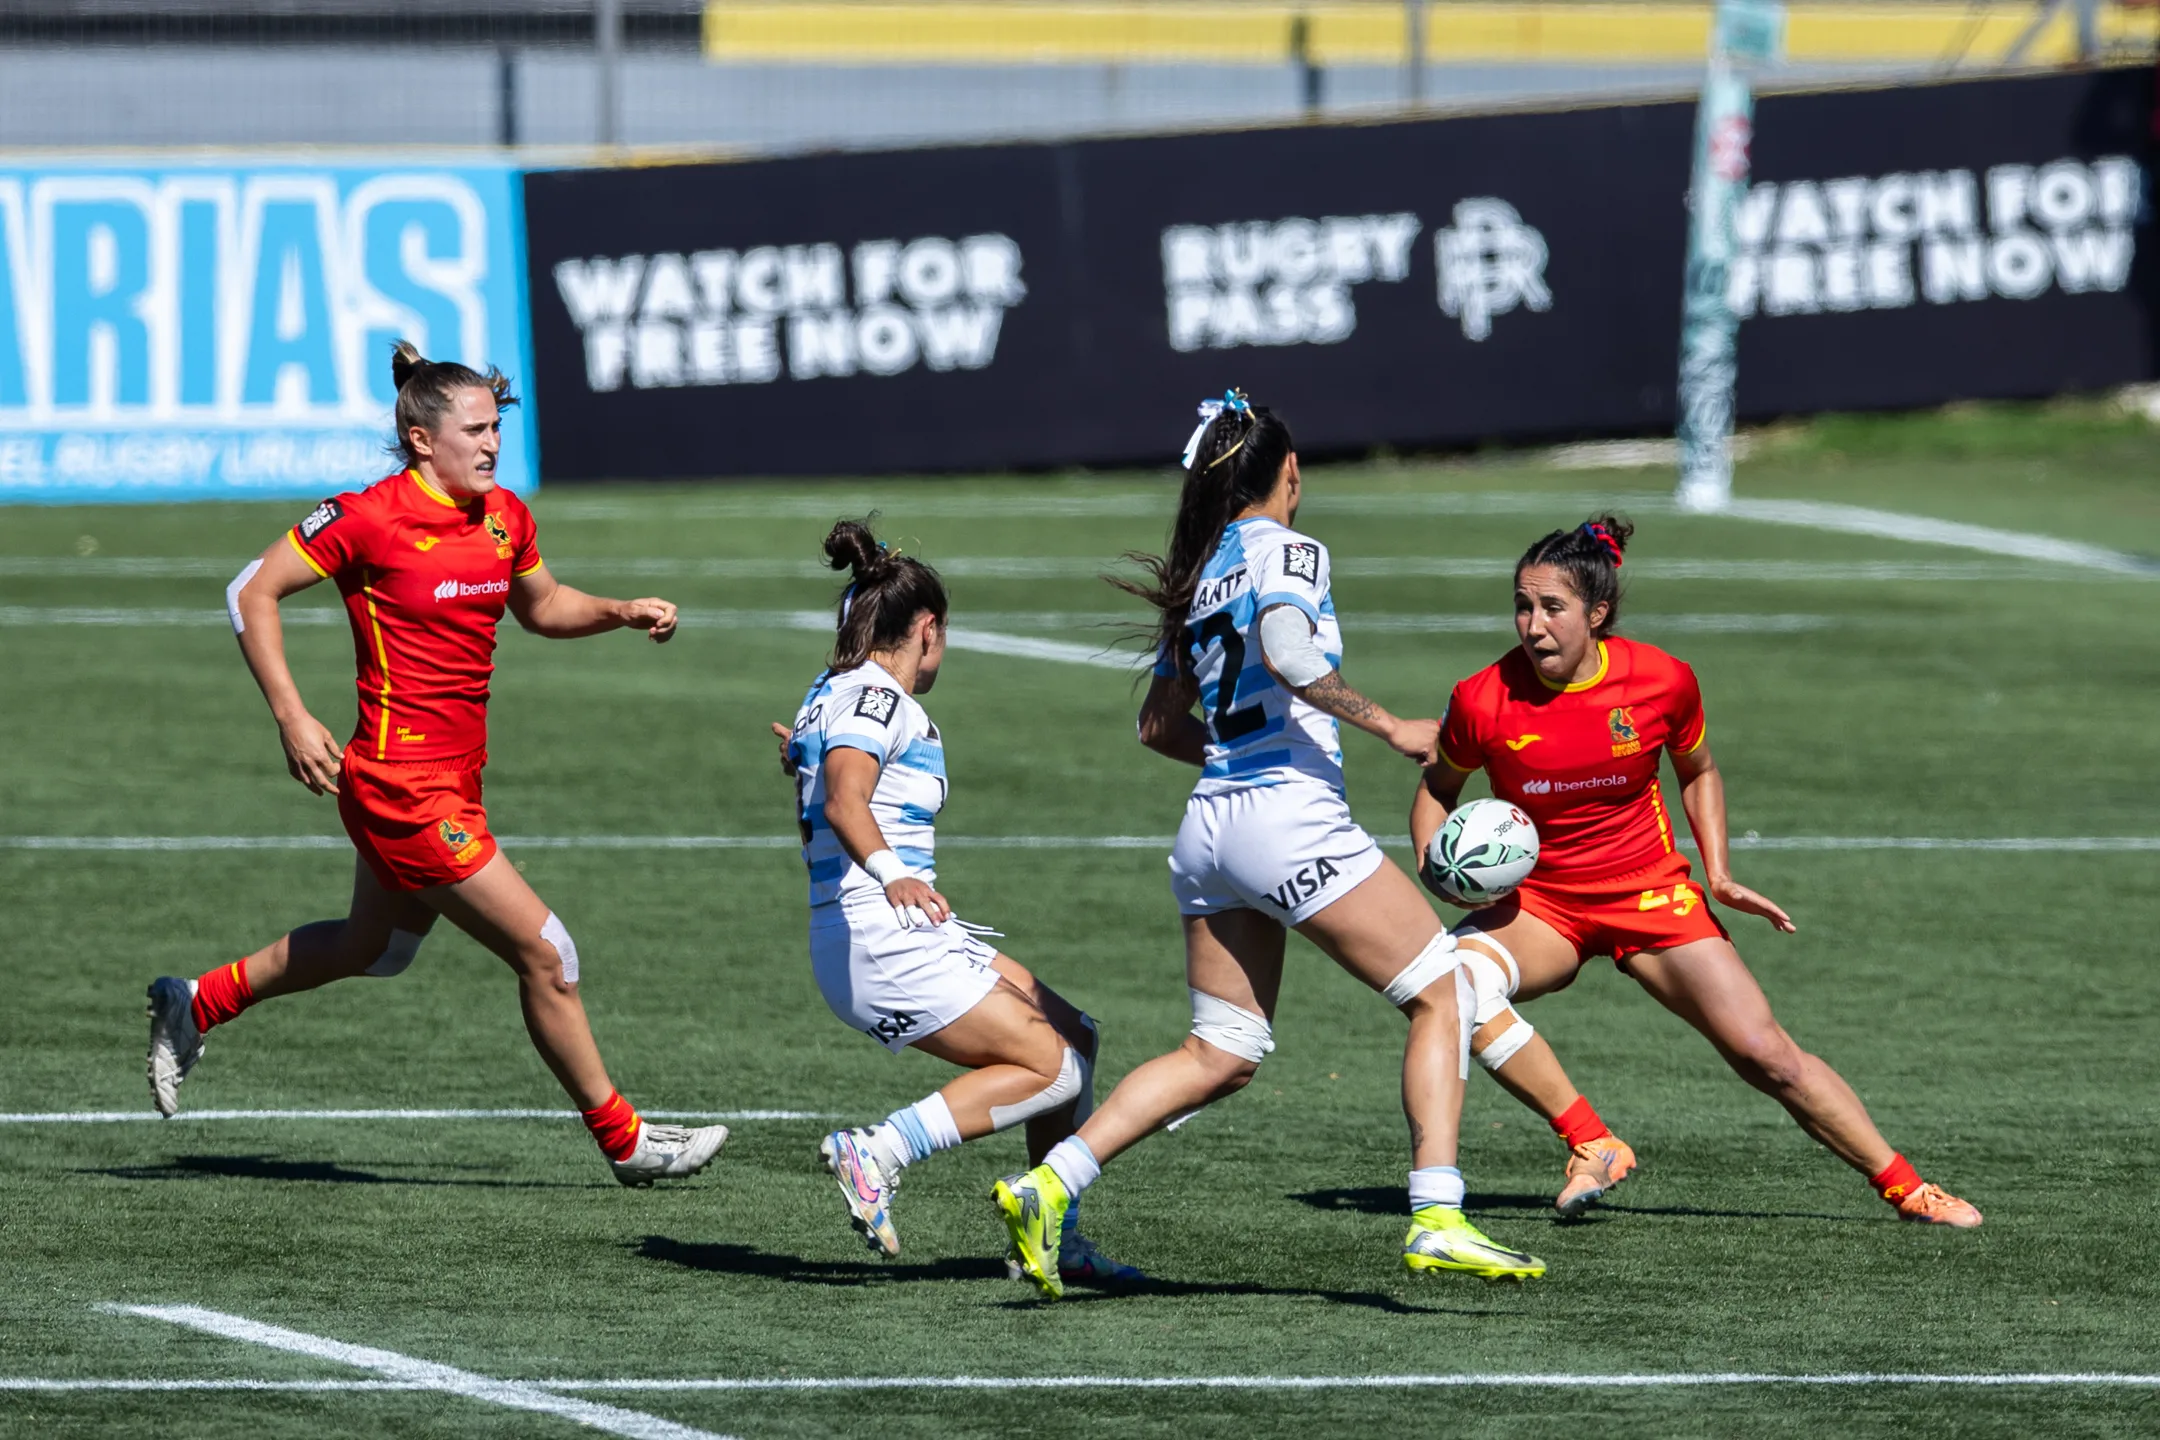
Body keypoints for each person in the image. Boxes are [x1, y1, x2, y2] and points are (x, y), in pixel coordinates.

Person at [991, 391, 1545, 1300]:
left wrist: (1242, 763)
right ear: (1288, 474)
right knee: (1445, 990)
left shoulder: (1201, 569)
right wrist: (1390, 725)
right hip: (1287, 818)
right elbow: (1288, 650)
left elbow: (1155, 727)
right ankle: (1439, 1217)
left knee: (1224, 1051)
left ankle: (1049, 1185)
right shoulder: (1289, 550)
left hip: (1213, 828)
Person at [143, 341, 727, 1188]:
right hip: (397, 787)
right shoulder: (367, 515)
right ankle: (627, 1142)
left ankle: (196, 1001)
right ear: (423, 439)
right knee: (549, 955)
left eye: (498, 428)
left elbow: (546, 606)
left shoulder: (504, 516)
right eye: (477, 430)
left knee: (373, 948)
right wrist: (292, 716)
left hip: (455, 781)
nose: (493, 445)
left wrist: (619, 610)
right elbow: (249, 591)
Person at [1409, 516, 1981, 1228]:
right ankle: (1592, 1140)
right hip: (1542, 906)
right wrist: (1437, 866)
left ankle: (1908, 1188)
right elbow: (1438, 787)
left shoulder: (1660, 680)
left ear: (1598, 612)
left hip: (1648, 894)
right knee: (1452, 985)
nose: (1533, 624)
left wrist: (1720, 873)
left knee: (1765, 1055)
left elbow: (1698, 770)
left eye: (1552, 607)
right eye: (1522, 606)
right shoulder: (1482, 698)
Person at [775, 520, 1140, 1287]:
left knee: (1078, 1033)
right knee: (1056, 1067)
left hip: (889, 932)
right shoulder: (876, 701)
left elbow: (829, 776)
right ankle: (880, 1149)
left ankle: (1053, 1232)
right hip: (885, 936)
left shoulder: (831, 694)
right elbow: (845, 799)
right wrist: (890, 871)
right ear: (928, 630)